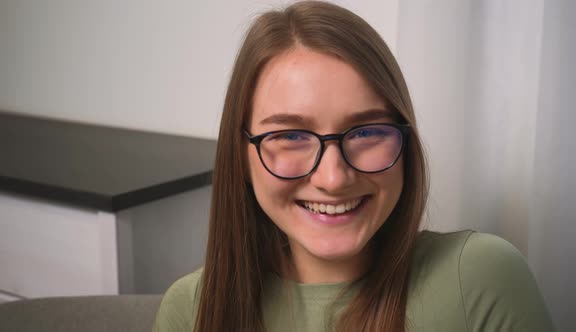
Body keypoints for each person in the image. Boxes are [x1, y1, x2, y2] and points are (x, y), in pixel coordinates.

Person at [153, 1, 554, 331]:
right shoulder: (190, 308)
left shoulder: (482, 279)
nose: (333, 178)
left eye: (365, 133)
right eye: (290, 136)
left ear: (406, 141)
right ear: (241, 156)